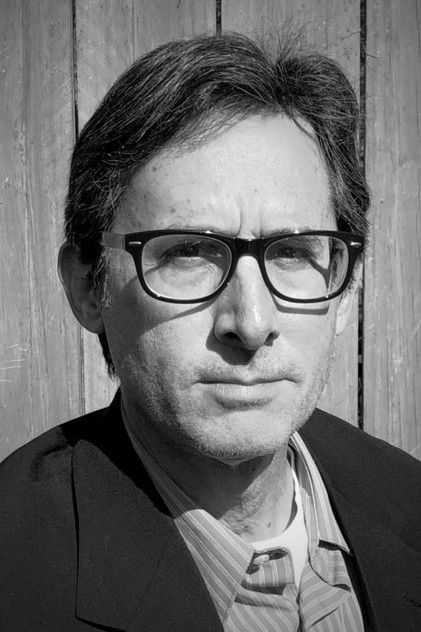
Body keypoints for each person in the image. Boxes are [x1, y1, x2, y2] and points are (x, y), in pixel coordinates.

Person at [1, 32, 420, 632]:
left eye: (294, 252)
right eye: (189, 252)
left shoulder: (409, 501)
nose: (250, 323)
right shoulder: (17, 575)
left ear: (345, 288)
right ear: (89, 287)